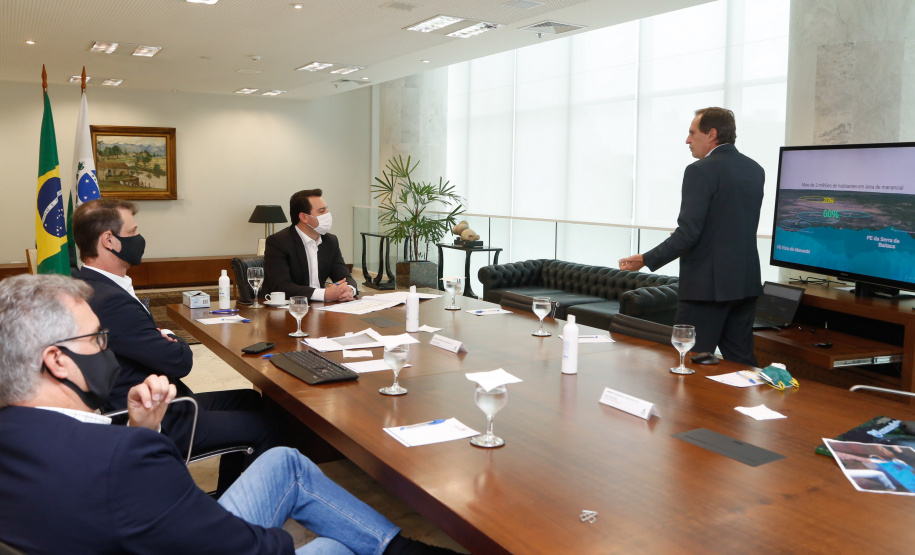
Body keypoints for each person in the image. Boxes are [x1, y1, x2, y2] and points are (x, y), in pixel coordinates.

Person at [0, 274, 457, 555]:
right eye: (97, 339)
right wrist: (287, 540)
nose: (106, 348)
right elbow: (239, 546)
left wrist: (144, 428)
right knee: (336, 545)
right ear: (57, 360)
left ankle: (397, 548)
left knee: (284, 461)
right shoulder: (122, 460)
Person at [73, 198, 280, 495]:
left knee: (249, 399)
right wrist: (172, 337)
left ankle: (228, 495)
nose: (139, 238)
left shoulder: (89, 285)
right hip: (158, 416)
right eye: (132, 232)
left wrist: (159, 337)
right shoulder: (112, 301)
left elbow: (149, 346)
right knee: (268, 424)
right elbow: (180, 361)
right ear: (109, 241)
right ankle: (243, 511)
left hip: (157, 399)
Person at [619, 107, 764, 366]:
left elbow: (688, 233)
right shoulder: (755, 169)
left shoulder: (700, 170)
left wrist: (645, 258)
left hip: (707, 288)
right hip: (744, 284)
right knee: (741, 363)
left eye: (692, 133)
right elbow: (728, 225)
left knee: (688, 361)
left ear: (712, 134)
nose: (688, 140)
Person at [263, 189, 358, 302]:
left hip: (321, 307)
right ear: (304, 217)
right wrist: (324, 294)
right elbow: (281, 287)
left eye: (327, 209)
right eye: (322, 211)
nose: (328, 214)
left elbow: (345, 277)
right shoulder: (278, 242)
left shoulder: (330, 241)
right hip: (289, 307)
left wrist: (349, 290)